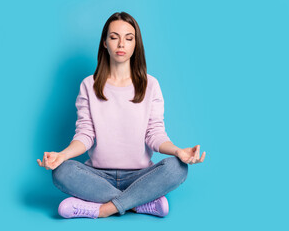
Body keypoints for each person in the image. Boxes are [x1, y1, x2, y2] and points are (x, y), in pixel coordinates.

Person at [37, 11, 206, 219]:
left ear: (136, 44)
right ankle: (139, 203)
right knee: (61, 171)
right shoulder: (89, 85)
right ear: (105, 43)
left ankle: (102, 209)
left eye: (128, 38)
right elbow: (85, 135)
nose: (121, 44)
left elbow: (154, 134)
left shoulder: (150, 85)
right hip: (98, 176)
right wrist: (62, 155)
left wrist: (179, 151)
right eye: (114, 37)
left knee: (177, 168)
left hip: (140, 176)